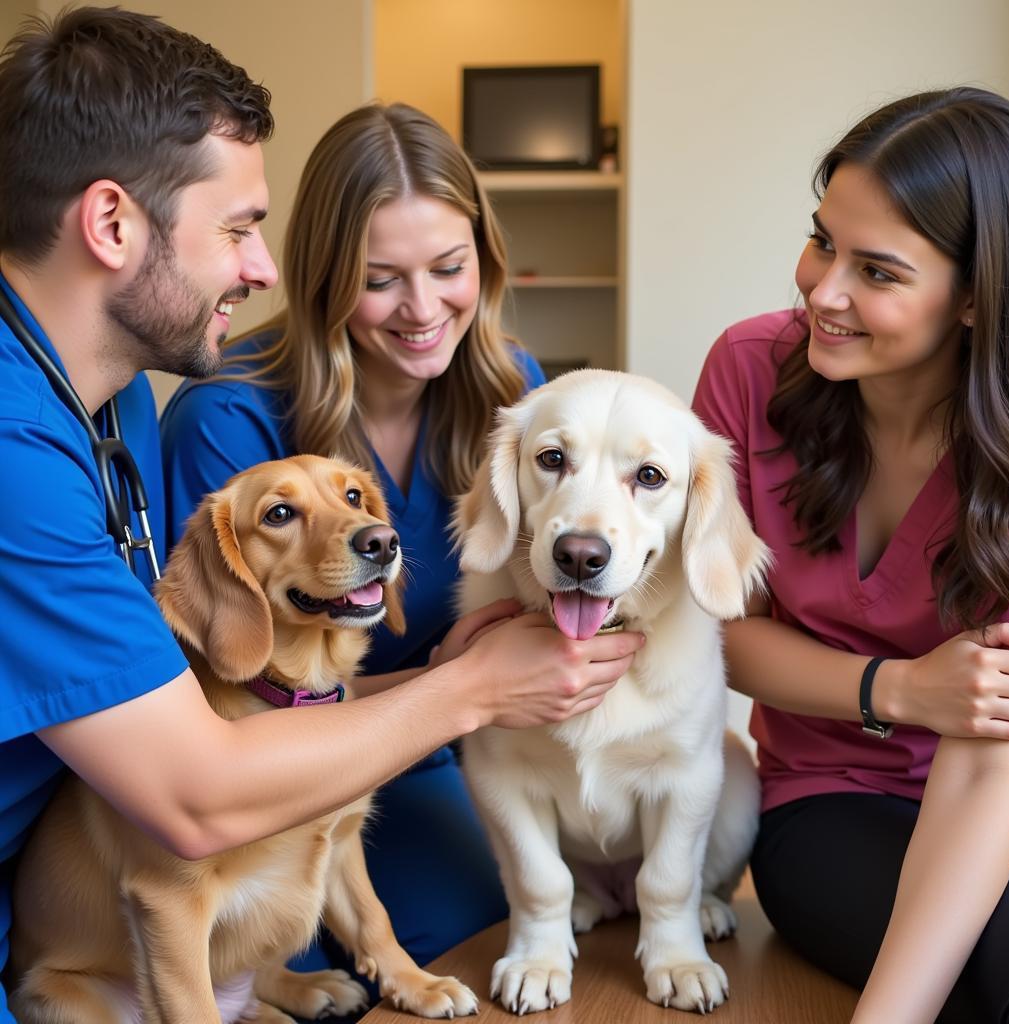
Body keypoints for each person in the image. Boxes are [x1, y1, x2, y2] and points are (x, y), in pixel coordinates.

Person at [0, 10, 643, 1021]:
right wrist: (464, 684)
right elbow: (199, 761)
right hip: (120, 863)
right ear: (114, 223)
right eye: (238, 229)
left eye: (448, 268)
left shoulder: (114, 391)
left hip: (308, 768)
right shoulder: (129, 427)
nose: (255, 270)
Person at [158, 101, 567, 989]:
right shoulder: (227, 421)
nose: (424, 310)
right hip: (273, 782)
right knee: (270, 951)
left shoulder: (518, 394)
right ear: (324, 277)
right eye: (382, 279)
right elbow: (224, 704)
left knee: (490, 910)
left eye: (449, 268)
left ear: (485, 263)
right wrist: (451, 684)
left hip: (441, 752)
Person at [692, 86, 1009, 1024]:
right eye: (822, 240)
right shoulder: (748, 371)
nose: (821, 288)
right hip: (831, 796)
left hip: (1001, 783)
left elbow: (998, 741)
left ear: (974, 298)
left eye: (876, 271)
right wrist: (898, 689)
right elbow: (712, 634)